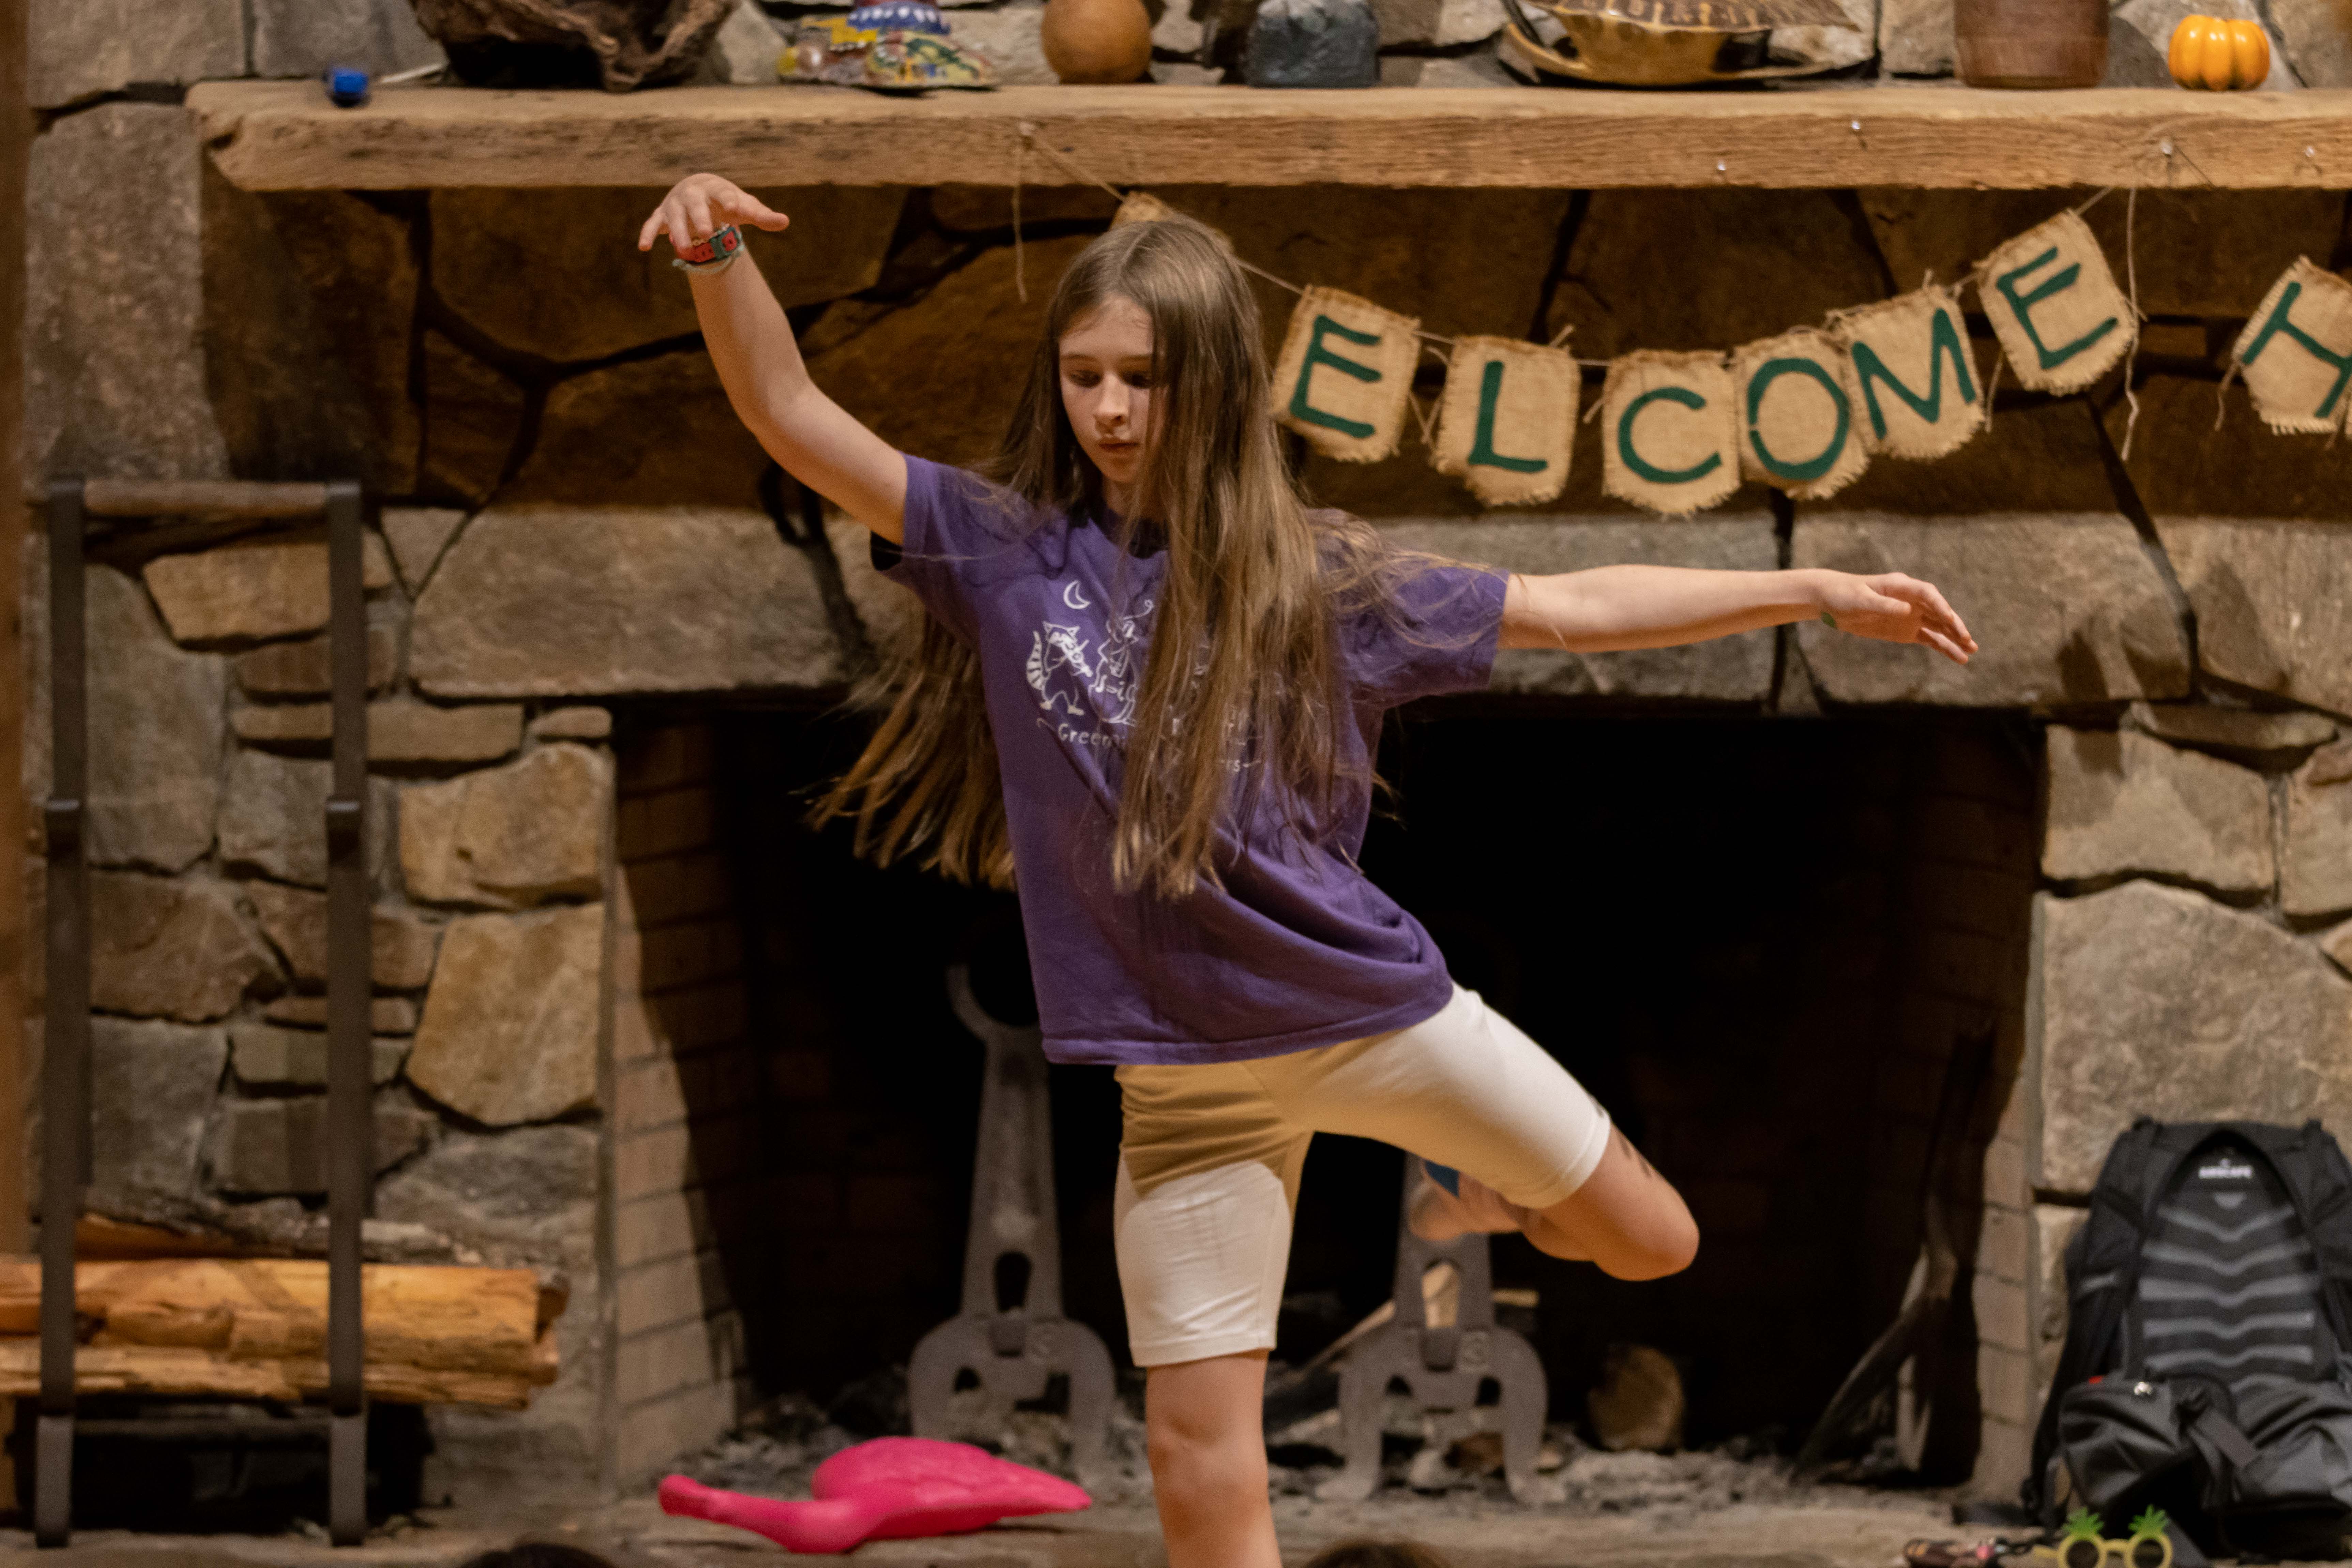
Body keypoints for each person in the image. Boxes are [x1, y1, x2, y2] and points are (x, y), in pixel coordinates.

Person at [636, 178, 1977, 1568]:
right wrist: (716, 252)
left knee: (1653, 1242)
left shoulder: (1319, 580)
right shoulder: (1006, 549)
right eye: (1085, 375)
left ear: (1215, 382)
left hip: (1369, 1013)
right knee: (1194, 1453)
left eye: (1144, 378)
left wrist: (1814, 590)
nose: (1109, 410)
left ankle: (1477, 1198)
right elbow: (788, 411)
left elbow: (1571, 605)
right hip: (1185, 1084)